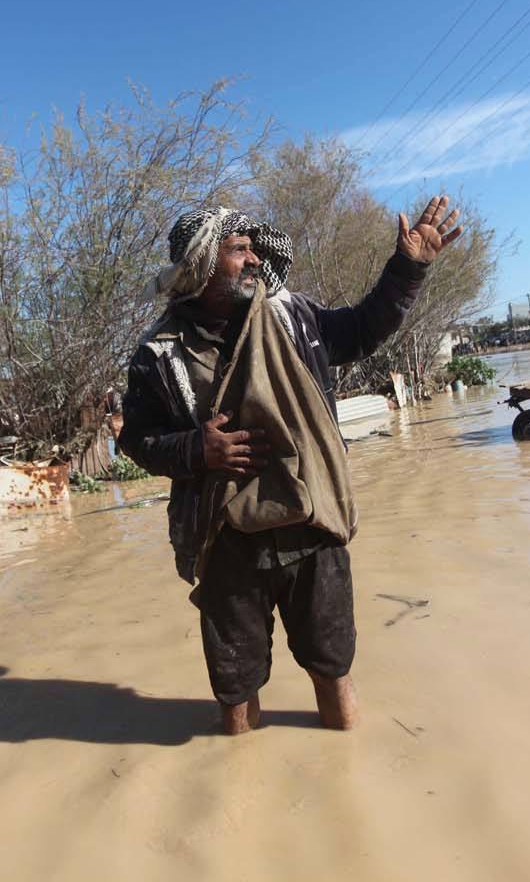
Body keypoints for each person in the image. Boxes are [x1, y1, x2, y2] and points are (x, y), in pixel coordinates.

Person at [117, 197, 462, 733]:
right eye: (239, 250)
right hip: (226, 544)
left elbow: (363, 329)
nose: (254, 259)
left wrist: (408, 268)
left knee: (333, 674)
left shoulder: (292, 317)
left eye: (254, 249)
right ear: (201, 265)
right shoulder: (160, 355)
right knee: (236, 698)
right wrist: (197, 450)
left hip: (312, 527)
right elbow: (137, 441)